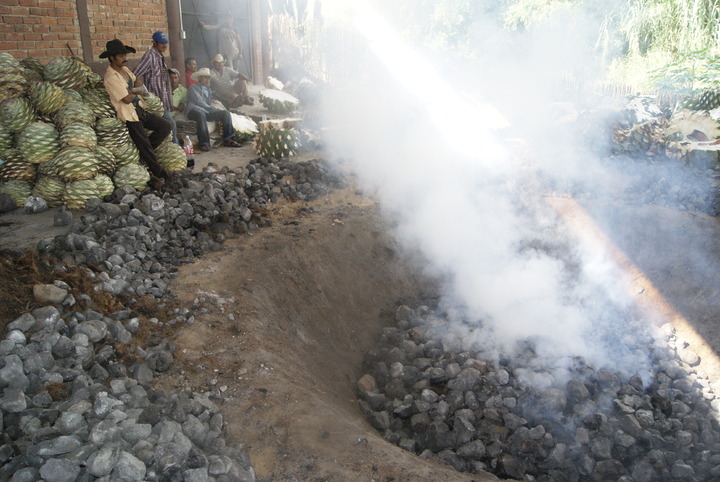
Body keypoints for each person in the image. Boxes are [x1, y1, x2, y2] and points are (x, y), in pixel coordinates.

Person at [100, 38, 172, 186]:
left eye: (124, 55)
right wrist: (134, 90)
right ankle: (161, 173)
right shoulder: (110, 77)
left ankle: (143, 155)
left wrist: (132, 90)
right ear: (112, 57)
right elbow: (126, 99)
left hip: (138, 108)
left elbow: (139, 83)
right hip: (127, 115)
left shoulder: (125, 70)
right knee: (144, 142)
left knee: (165, 126)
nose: (124, 58)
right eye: (121, 56)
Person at [134, 31, 178, 143]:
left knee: (170, 125)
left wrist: (169, 103)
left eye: (165, 43)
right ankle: (176, 149)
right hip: (155, 102)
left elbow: (163, 81)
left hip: (163, 102)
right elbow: (135, 73)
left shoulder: (160, 56)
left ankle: (174, 149)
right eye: (161, 43)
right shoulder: (150, 56)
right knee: (170, 124)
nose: (164, 45)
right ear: (154, 42)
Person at [185, 68, 242, 152]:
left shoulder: (208, 89)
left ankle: (228, 139)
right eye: (202, 77)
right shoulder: (192, 87)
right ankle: (204, 143)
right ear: (199, 78)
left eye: (206, 77)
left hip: (206, 110)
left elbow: (209, 102)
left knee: (225, 113)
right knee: (201, 115)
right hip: (193, 110)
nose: (205, 79)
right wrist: (212, 108)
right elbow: (198, 101)